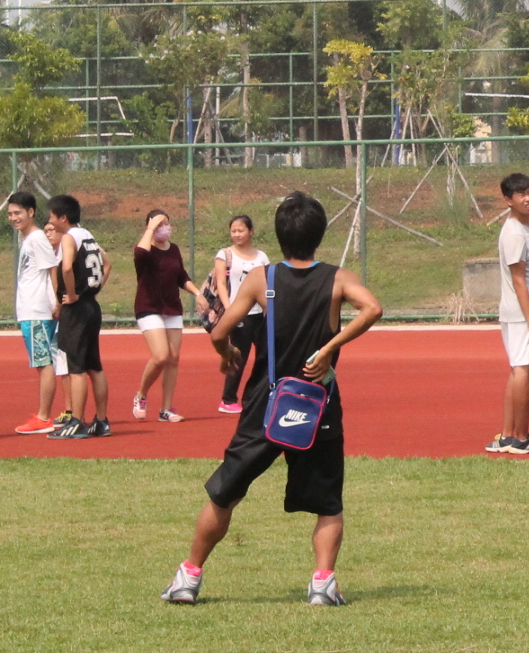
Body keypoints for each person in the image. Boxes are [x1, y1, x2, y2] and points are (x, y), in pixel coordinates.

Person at [162, 190, 384, 606]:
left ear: (279, 237)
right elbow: (373, 309)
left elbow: (217, 331)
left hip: (267, 401)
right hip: (317, 400)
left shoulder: (264, 279)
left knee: (225, 489)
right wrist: (329, 348)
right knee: (328, 500)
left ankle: (188, 577)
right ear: (319, 235)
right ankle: (322, 584)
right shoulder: (338, 278)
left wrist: (225, 353)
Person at [489, 172, 529, 456]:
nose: (528, 198)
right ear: (508, 201)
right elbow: (519, 281)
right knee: (524, 371)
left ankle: (507, 437)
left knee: (518, 370)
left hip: (522, 312)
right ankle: (521, 438)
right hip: (522, 313)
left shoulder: (523, 228)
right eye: (520, 194)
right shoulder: (515, 232)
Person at [132, 209, 204, 423]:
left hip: (171, 307)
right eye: (159, 224)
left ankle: (166, 410)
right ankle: (141, 394)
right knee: (161, 355)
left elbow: (181, 276)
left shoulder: (173, 249)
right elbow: (140, 253)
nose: (165, 228)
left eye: (167, 223)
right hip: (149, 307)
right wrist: (151, 228)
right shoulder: (145, 249)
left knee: (173, 359)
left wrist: (198, 293)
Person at [47, 194, 110, 440]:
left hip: (78, 308)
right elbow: (108, 263)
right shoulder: (88, 235)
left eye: (53, 217)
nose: (50, 222)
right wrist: (94, 289)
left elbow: (65, 267)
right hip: (92, 306)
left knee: (76, 367)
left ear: (63, 217)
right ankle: (102, 421)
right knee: (95, 365)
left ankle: (77, 421)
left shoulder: (70, 238)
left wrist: (72, 295)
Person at [9, 192, 63, 434]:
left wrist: (57, 303)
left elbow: (53, 269)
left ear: (31, 212)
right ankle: (47, 415)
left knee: (44, 363)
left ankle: (43, 417)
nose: (13, 218)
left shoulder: (37, 238)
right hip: (31, 310)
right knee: (43, 362)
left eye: (18, 213)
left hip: (37, 310)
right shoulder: (28, 239)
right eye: (10, 214)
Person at [211, 215, 271, 414]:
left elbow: (267, 285)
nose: (237, 234)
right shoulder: (225, 254)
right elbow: (220, 283)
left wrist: (267, 310)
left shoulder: (261, 257)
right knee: (238, 356)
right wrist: (231, 309)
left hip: (259, 314)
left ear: (251, 231)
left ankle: (258, 396)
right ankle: (228, 399)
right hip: (238, 314)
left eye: (241, 230)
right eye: (234, 231)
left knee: (266, 355)